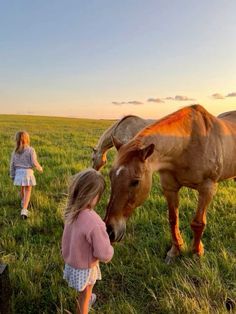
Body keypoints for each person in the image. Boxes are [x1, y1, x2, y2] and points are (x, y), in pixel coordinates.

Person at [61, 168, 114, 314]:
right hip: (85, 267)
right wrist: (111, 249)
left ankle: (84, 302)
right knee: (85, 294)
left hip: (72, 262)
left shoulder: (71, 211)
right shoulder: (94, 222)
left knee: (84, 292)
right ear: (93, 196)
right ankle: (82, 309)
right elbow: (104, 254)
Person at [10, 131, 43, 219]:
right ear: (27, 139)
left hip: (18, 173)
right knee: (28, 190)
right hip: (28, 173)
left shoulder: (15, 152)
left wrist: (12, 175)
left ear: (16, 140)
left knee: (22, 187)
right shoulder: (31, 150)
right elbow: (34, 162)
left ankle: (23, 202)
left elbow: (12, 165)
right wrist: (39, 167)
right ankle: (24, 210)